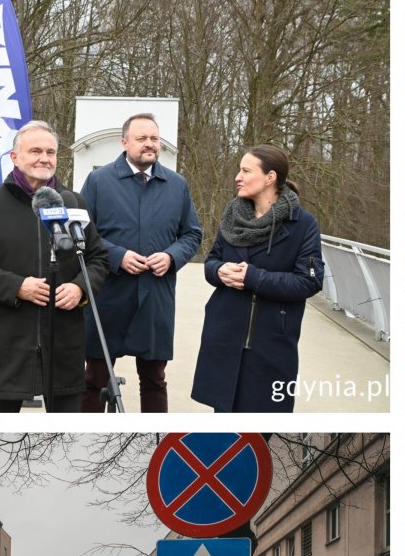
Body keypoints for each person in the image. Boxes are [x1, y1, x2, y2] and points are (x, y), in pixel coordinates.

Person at [0, 120, 109, 412]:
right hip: (5, 345)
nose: (44, 158)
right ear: (15, 157)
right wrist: (16, 287)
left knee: (66, 442)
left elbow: (98, 259)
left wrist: (79, 289)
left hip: (63, 343)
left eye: (50, 152)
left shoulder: (73, 202)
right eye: (35, 150)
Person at [79, 113, 202, 412]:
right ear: (125, 142)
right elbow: (82, 231)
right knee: (94, 378)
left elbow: (192, 233)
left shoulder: (177, 184)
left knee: (155, 379)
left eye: (154, 139)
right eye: (142, 138)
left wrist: (172, 256)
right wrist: (117, 256)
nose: (149, 144)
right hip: (107, 295)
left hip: (155, 296)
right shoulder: (98, 181)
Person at [190, 145, 324, 412]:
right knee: (226, 431)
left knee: (263, 428)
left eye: (245, 170)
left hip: (271, 345)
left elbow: (309, 281)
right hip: (224, 336)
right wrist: (218, 271)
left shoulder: (303, 225)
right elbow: (212, 260)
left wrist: (253, 277)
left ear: (270, 177)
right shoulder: (233, 216)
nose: (237, 177)